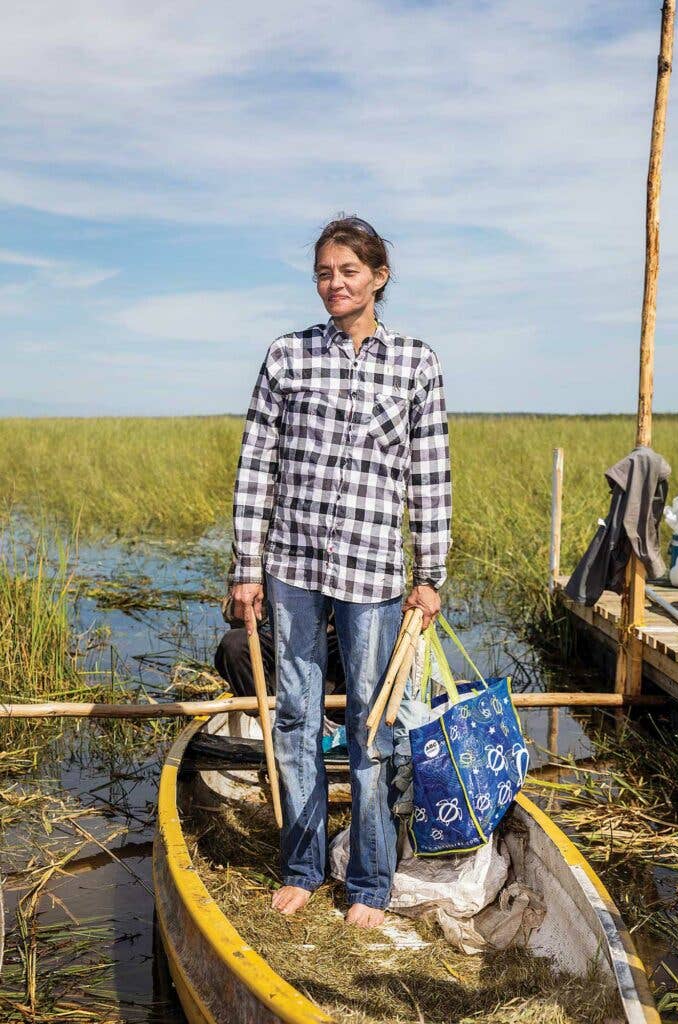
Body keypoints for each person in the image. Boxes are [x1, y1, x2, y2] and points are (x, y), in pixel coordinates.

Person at [228, 214, 452, 928]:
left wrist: (431, 572)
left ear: (378, 278)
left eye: (348, 272)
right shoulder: (288, 356)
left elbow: (430, 473)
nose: (334, 283)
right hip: (292, 563)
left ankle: (369, 882)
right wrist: (246, 565)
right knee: (294, 717)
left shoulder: (416, 361)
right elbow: (257, 463)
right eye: (324, 272)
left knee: (372, 725)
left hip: (375, 573)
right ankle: (300, 866)